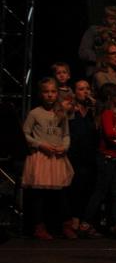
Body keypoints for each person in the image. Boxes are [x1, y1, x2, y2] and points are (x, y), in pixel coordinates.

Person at [22, 78, 75, 239]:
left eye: (53, 91)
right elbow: (25, 134)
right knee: (39, 195)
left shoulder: (61, 113)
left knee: (61, 194)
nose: (50, 95)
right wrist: (40, 145)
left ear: (57, 93)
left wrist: (64, 147)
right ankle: (39, 227)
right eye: (46, 92)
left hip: (57, 158)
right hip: (41, 158)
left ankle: (65, 226)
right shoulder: (35, 113)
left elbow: (66, 134)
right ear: (40, 94)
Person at [82, 83, 116, 239]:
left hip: (114, 157)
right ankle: (85, 223)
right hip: (107, 157)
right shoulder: (107, 113)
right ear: (111, 98)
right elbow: (110, 133)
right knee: (101, 192)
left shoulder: (109, 113)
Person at [66, 80, 98, 237]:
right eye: (81, 89)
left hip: (90, 155)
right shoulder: (71, 109)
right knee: (75, 188)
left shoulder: (92, 110)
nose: (85, 92)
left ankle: (84, 222)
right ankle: (73, 221)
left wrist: (96, 109)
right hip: (74, 155)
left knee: (88, 188)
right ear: (74, 92)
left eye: (87, 88)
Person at [79, 5, 116, 75]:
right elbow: (83, 52)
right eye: (111, 19)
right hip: (98, 70)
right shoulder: (94, 31)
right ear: (104, 20)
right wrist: (103, 58)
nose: (115, 22)